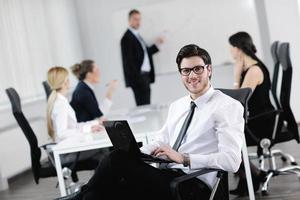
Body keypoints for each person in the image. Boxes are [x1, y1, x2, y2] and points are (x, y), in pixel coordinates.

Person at [74, 44, 245, 200]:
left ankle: (76, 197)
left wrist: (184, 158)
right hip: (167, 176)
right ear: (181, 74)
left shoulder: (227, 106)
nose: (192, 75)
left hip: (192, 185)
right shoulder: (178, 106)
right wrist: (134, 155)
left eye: (198, 69)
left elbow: (232, 160)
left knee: (115, 159)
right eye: (186, 71)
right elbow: (160, 141)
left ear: (209, 70)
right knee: (108, 187)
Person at [229, 31, 275, 195]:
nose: (230, 51)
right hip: (257, 118)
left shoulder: (254, 71)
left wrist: (235, 77)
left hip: (261, 123)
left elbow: (238, 102)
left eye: (231, 47)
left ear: (239, 48)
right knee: (227, 136)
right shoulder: (249, 68)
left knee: (228, 139)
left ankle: (254, 176)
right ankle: (253, 175)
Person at [120, 9, 164, 106]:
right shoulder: (127, 38)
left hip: (145, 77)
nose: (138, 22)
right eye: (135, 19)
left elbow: (144, 53)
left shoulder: (136, 36)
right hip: (139, 78)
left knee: (146, 105)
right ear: (129, 20)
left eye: (139, 19)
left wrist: (157, 45)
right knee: (144, 107)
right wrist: (138, 78)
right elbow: (129, 62)